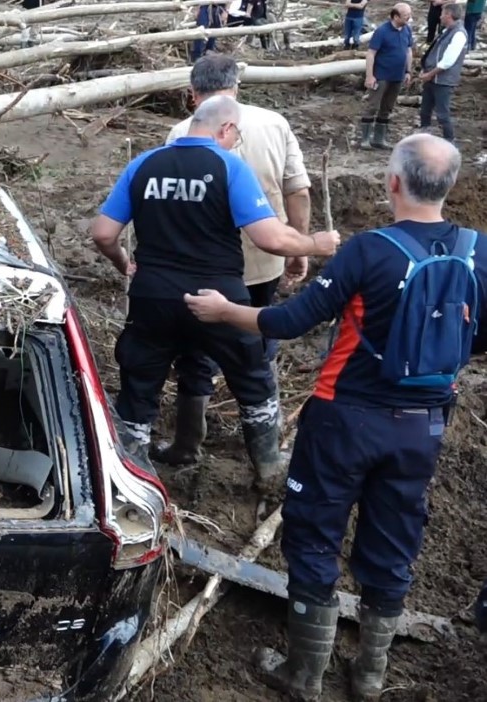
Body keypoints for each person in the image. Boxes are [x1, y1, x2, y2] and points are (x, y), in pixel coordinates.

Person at [185, 133, 487, 701]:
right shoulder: (479, 251)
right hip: (422, 425)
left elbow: (289, 321)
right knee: (395, 536)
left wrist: (225, 311)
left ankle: (304, 675)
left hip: (344, 418)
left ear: (393, 182)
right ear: (449, 186)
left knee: (314, 533)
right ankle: (371, 675)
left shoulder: (370, 250)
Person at [89, 95, 339, 495]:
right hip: (217, 299)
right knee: (252, 377)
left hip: (153, 297)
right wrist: (315, 243)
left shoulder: (145, 164)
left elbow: (103, 233)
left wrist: (123, 262)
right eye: (236, 134)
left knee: (139, 384)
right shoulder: (229, 167)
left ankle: (129, 478)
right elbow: (270, 238)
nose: (236, 141)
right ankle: (268, 467)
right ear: (226, 128)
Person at [155, 55, 313, 467]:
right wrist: (297, 244)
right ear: (236, 88)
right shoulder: (274, 123)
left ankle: (187, 444)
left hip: (202, 267)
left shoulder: (180, 133)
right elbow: (297, 190)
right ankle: (266, 450)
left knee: (195, 351)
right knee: (260, 340)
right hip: (264, 259)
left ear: (193, 94)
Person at [358, 4, 416, 150]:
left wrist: (408, 71)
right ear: (396, 16)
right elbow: (371, 54)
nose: (409, 18)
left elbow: (408, 51)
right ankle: (365, 139)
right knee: (373, 105)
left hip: (397, 76)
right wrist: (370, 76)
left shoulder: (407, 30)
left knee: (387, 107)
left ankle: (379, 139)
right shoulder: (382, 31)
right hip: (381, 75)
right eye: (406, 15)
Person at [418, 2, 468, 143]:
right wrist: (425, 68)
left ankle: (449, 141)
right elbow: (435, 53)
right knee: (425, 111)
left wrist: (429, 74)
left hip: (443, 81)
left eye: (442, 14)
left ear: (448, 15)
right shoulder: (446, 31)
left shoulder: (458, 34)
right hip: (433, 78)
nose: (439, 17)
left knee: (442, 114)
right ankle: (424, 138)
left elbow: (448, 61)